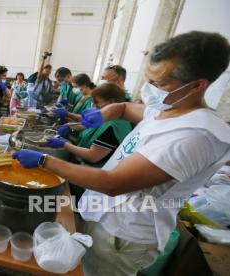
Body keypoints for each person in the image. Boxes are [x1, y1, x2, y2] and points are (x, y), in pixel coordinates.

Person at [12, 31, 230, 275]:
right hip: (105, 214)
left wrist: (44, 160)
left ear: (198, 85)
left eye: (160, 84)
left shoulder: (195, 135)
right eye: (149, 80)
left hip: (125, 233)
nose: (150, 90)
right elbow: (126, 108)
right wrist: (106, 112)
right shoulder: (170, 109)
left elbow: (113, 183)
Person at [50, 83, 132, 168]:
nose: (95, 107)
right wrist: (70, 126)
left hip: (92, 170)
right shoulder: (109, 117)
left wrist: (64, 144)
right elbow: (88, 125)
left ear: (111, 102)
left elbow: (92, 156)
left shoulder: (114, 127)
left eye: (97, 103)